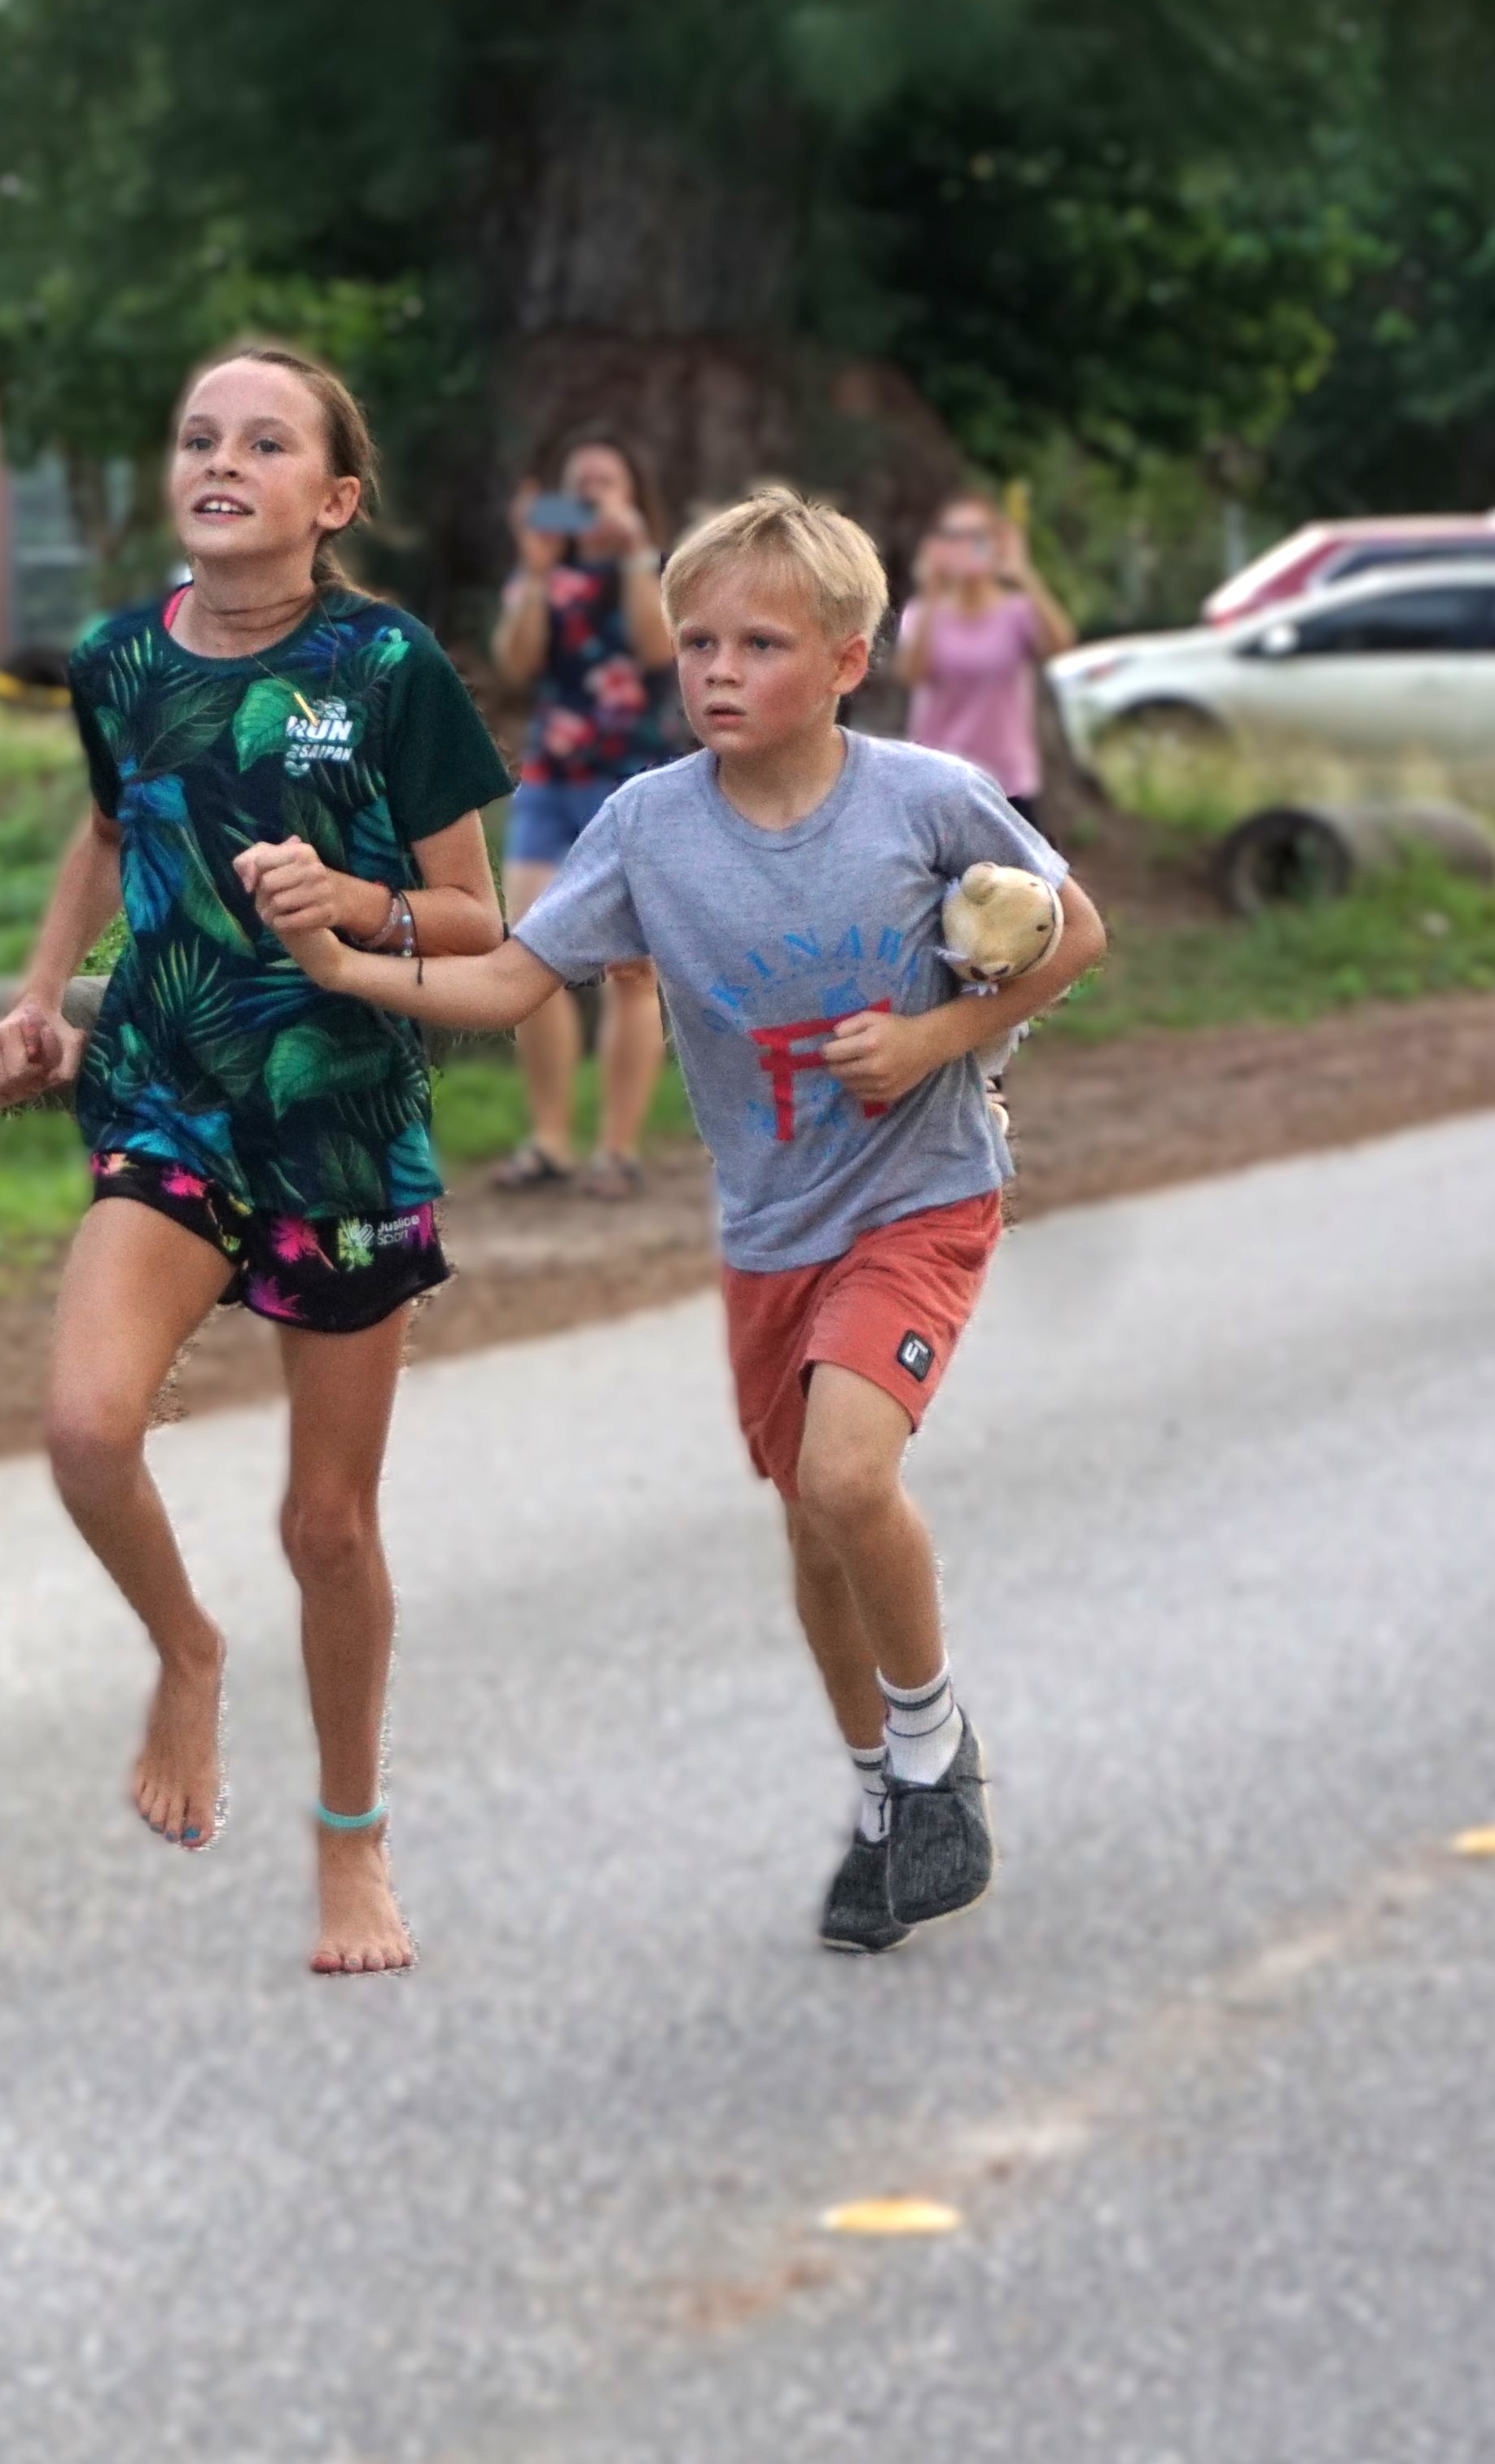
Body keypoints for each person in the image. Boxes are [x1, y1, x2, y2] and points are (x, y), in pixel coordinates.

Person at [258, 488, 1106, 1954]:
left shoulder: (922, 796)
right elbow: (510, 981)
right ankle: (881, 1797)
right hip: (770, 1226)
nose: (715, 668)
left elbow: (1073, 927)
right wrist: (346, 962)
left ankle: (933, 1751)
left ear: (847, 659)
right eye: (695, 639)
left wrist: (934, 1040)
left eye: (759, 642)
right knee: (808, 1523)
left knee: (848, 1479)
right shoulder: (648, 826)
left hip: (920, 1193)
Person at [0, 344, 515, 1977]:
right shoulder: (115, 657)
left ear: (328, 500)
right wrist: (37, 995)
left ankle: (349, 1842)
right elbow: (107, 822)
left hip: (339, 1119)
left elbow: (480, 920)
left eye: (264, 442)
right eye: (199, 435)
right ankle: (184, 1651)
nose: (221, 459)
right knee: (81, 1428)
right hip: (166, 1089)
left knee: (327, 1529)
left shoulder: (389, 665)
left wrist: (347, 907)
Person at [488, 434, 678, 1199]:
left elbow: (656, 647)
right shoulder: (543, 575)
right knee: (528, 961)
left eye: (609, 482)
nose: (595, 495)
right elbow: (516, 662)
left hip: (633, 784)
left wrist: (632, 551)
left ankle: (618, 1149)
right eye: (581, 485)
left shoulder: (661, 571)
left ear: (634, 494)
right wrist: (535, 568)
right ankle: (549, 1139)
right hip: (550, 780)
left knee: (632, 971)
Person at [899, 492, 1076, 832]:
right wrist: (933, 591)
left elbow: (1061, 644)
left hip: (1006, 782)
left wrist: (1022, 573)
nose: (966, 548)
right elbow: (912, 673)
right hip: (936, 780)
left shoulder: (1016, 612)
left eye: (977, 537)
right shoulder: (922, 613)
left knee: (1029, 884)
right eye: (954, 538)